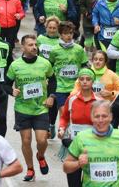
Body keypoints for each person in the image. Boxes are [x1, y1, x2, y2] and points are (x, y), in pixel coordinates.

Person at [6, 34, 55, 181]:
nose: (34, 47)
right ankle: (30, 169)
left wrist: (51, 96)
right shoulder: (15, 66)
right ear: (23, 47)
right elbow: (5, 84)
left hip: (41, 108)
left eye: (35, 44)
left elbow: (53, 80)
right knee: (26, 141)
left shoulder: (45, 63)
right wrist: (11, 91)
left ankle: (40, 156)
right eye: (30, 45)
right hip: (22, 109)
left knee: (41, 140)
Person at [64, 100, 119, 187]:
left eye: (104, 116)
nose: (101, 120)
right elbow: (66, 167)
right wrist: (78, 163)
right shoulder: (81, 138)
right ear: (91, 117)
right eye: (97, 116)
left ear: (111, 117)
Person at [57, 68, 99, 187]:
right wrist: (61, 129)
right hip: (74, 145)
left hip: (92, 147)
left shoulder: (99, 101)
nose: (85, 81)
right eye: (81, 79)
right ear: (78, 81)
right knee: (74, 183)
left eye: (88, 79)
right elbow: (64, 117)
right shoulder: (71, 99)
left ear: (93, 82)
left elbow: (104, 124)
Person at [48, 21, 89, 138]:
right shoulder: (54, 50)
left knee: (73, 112)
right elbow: (49, 66)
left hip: (75, 86)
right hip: (60, 86)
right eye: (66, 33)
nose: (69, 36)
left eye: (70, 33)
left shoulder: (79, 49)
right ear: (60, 34)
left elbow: (85, 65)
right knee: (63, 111)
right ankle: (65, 140)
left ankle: (71, 136)